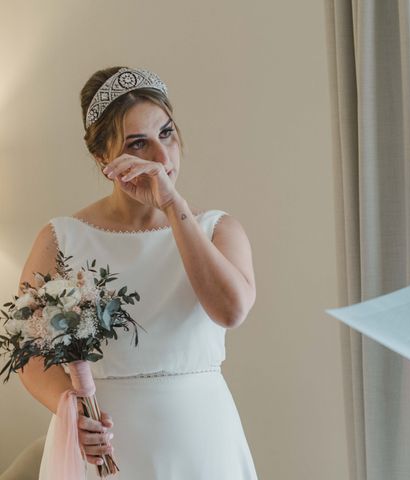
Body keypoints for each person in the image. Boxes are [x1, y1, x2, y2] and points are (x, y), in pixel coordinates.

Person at [17, 66, 258, 479]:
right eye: (138, 143)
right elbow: (29, 354)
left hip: (203, 443)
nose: (163, 159)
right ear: (102, 157)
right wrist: (75, 413)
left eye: (166, 133)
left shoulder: (219, 229)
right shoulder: (61, 239)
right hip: (105, 446)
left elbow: (230, 311)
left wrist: (171, 206)